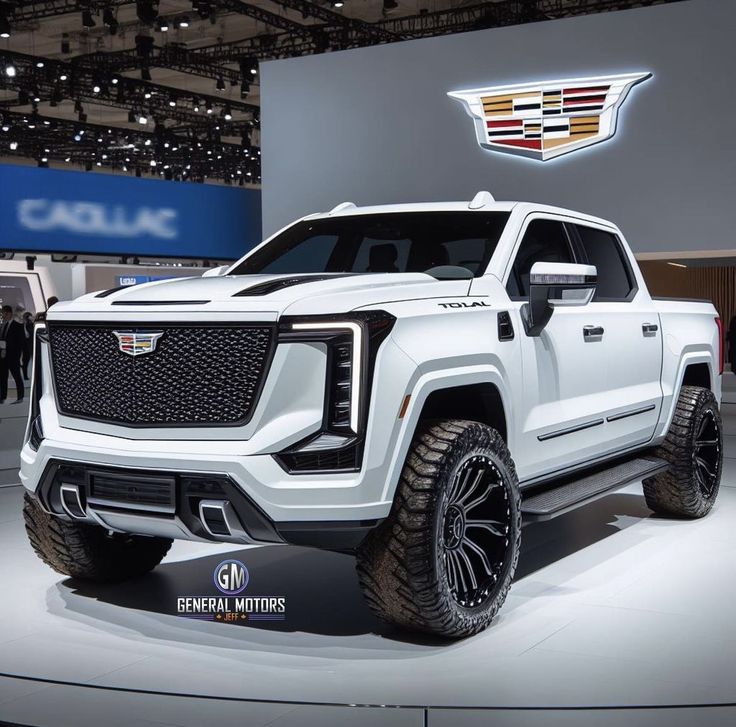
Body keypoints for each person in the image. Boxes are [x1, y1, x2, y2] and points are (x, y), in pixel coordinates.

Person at [0, 304, 25, 404]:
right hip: (3, 356)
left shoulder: (17, 326)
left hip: (13, 356)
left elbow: (20, 342)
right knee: (2, 377)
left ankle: (20, 397)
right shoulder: (3, 326)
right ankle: (2, 397)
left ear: (10, 313)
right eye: (2, 314)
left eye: (5, 314)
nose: (4, 316)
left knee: (17, 376)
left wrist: (17, 355)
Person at [21, 311, 34, 381]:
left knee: (32, 360)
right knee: (25, 361)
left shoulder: (32, 325)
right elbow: (26, 335)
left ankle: (32, 375)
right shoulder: (22, 326)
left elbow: (30, 334)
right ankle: (25, 376)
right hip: (25, 346)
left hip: (31, 345)